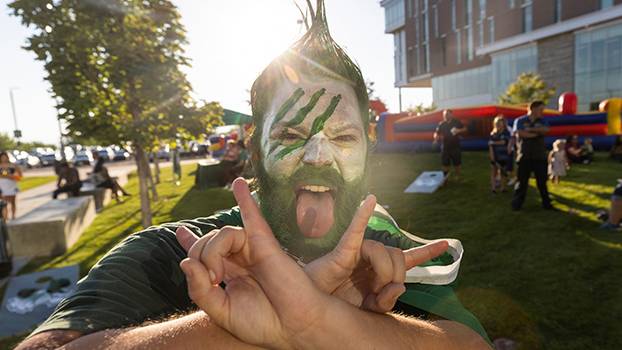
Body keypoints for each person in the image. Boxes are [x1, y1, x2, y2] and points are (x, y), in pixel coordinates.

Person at [17, 3, 490, 349]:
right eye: (289, 132)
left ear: (369, 144)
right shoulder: (165, 256)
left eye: (343, 136)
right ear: (252, 143)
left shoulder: (393, 261)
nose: (318, 155)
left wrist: (318, 318)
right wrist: (238, 321)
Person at [511, 100, 554, 211]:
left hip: (540, 156)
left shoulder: (543, 120)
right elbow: (520, 133)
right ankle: (517, 205)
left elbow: (546, 130)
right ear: (533, 109)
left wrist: (530, 130)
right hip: (524, 156)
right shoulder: (520, 120)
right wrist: (537, 134)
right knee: (522, 182)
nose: (542, 112)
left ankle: (547, 204)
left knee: (542, 182)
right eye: (541, 109)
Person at [433, 109, 467, 179]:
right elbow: (436, 132)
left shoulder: (456, 122)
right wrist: (436, 136)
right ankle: (445, 178)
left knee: (457, 163)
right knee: (445, 164)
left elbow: (465, 129)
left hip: (455, 146)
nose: (445, 116)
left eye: (447, 114)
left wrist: (458, 130)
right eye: (444, 115)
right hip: (445, 147)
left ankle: (458, 176)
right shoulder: (441, 124)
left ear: (451, 114)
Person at [488, 116, 512, 193]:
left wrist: (493, 142)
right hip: (495, 155)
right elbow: (490, 146)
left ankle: (502, 188)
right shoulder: (493, 133)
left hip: (504, 155)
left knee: (503, 172)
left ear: (503, 124)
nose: (499, 124)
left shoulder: (506, 133)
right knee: (494, 171)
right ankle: (493, 188)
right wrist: (492, 156)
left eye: (500, 123)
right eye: (497, 123)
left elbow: (504, 142)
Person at [0, 151, 22, 220]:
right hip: (2, 186)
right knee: (4, 203)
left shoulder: (13, 165)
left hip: (12, 185)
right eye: (2, 157)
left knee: (13, 201)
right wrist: (5, 176)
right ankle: (5, 217)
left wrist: (12, 176)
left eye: (5, 157)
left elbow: (20, 175)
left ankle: (13, 216)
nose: (4, 158)